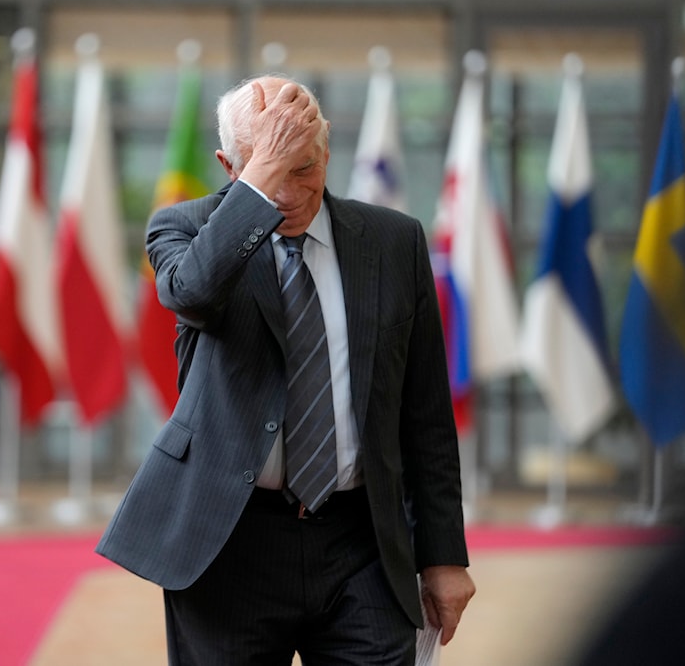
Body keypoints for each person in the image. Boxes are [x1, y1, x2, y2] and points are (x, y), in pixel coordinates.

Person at [97, 74, 475, 665]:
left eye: (305, 167)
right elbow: (193, 292)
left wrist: (445, 555)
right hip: (229, 541)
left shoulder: (394, 242)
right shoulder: (184, 229)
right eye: (272, 172)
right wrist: (262, 180)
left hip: (364, 543)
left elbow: (425, 411)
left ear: (326, 150)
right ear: (230, 166)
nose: (293, 194)